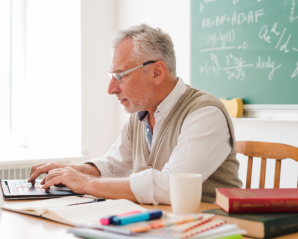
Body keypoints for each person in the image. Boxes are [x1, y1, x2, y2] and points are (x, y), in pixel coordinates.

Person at [27, 24, 242, 204]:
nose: (111, 88)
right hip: (159, 226)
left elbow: (170, 186)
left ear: (156, 72)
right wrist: (71, 171)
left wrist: (84, 183)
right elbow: (112, 166)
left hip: (208, 228)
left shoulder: (205, 114)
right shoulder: (140, 113)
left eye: (120, 76)